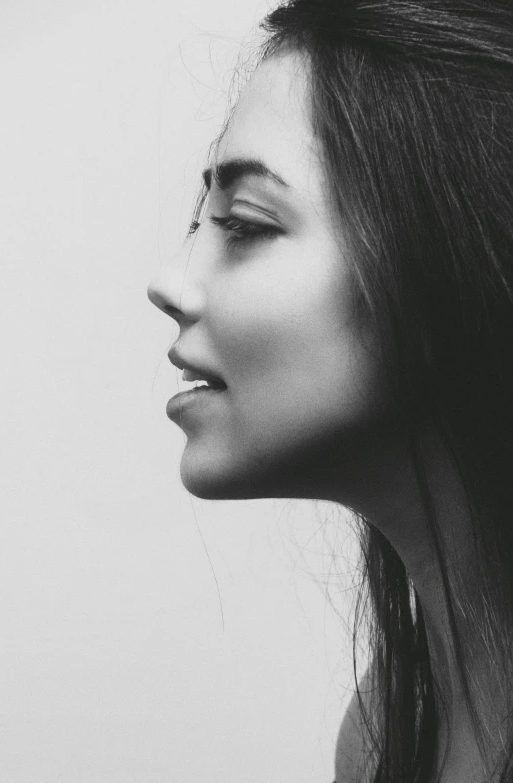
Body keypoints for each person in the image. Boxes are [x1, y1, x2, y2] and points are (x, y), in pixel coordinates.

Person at [147, 1, 513, 780]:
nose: (170, 282)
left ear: (452, 257)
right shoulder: (392, 730)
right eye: (199, 219)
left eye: (244, 223)